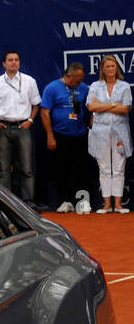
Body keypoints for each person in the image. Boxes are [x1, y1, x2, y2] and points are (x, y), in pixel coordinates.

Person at [39, 61, 91, 211]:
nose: (81, 81)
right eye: (78, 78)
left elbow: (91, 108)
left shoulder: (83, 88)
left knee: (81, 169)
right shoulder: (52, 88)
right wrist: (50, 135)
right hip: (59, 135)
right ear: (69, 75)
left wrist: (90, 125)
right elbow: (44, 113)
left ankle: (83, 201)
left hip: (80, 134)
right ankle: (65, 201)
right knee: (61, 168)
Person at [0, 50, 41, 201]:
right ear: (4, 63)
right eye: (10, 60)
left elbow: (36, 104)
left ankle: (28, 203)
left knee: (26, 168)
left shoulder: (29, 81)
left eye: (16, 60)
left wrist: (30, 121)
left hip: (23, 128)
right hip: (2, 129)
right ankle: (7, 204)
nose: (14, 62)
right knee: (3, 170)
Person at [86, 55, 131, 212]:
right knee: (104, 168)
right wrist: (114, 104)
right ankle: (106, 204)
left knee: (119, 168)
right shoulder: (95, 86)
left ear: (116, 68)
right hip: (100, 131)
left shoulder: (124, 86)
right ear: (103, 69)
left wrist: (102, 105)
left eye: (113, 66)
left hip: (120, 131)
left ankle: (118, 204)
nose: (110, 69)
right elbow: (91, 107)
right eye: (107, 66)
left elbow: (125, 108)